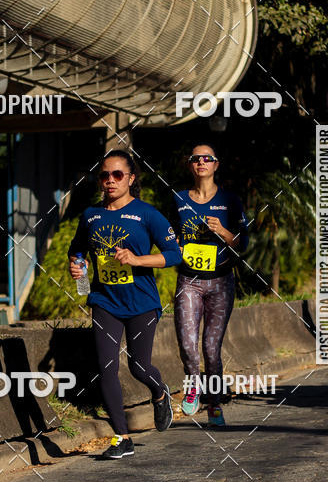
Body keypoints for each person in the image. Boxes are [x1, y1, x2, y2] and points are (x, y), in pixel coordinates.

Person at [68, 149, 182, 459]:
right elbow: (77, 249)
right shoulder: (91, 215)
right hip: (105, 301)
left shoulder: (147, 214)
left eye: (117, 175)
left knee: (138, 366)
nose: (110, 180)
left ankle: (159, 393)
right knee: (106, 368)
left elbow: (175, 254)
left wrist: (137, 259)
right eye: (104, 175)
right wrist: (76, 265)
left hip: (141, 302)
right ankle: (122, 437)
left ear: (130, 178)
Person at [172, 143, 248, 427]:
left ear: (216, 164)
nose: (201, 162)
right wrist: (175, 246)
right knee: (188, 343)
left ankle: (215, 403)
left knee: (211, 347)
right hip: (188, 280)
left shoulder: (230, 200)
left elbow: (243, 243)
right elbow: (168, 235)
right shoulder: (179, 199)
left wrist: (223, 231)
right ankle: (193, 386)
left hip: (221, 281)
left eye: (208, 158)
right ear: (190, 165)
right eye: (196, 158)